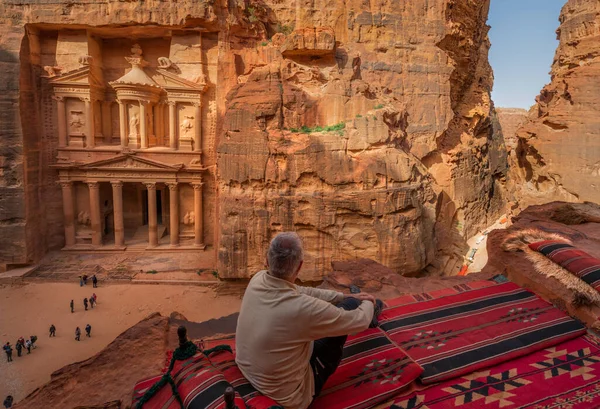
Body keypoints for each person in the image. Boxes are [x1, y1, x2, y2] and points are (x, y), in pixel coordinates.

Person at [235, 232, 382, 409]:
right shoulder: (302, 308)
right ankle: (373, 309)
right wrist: (367, 301)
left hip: (249, 372)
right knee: (349, 307)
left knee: (346, 302)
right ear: (299, 267)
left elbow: (300, 290)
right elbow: (358, 321)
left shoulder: (257, 279)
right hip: (291, 397)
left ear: (266, 260)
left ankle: (360, 303)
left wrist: (342, 295)